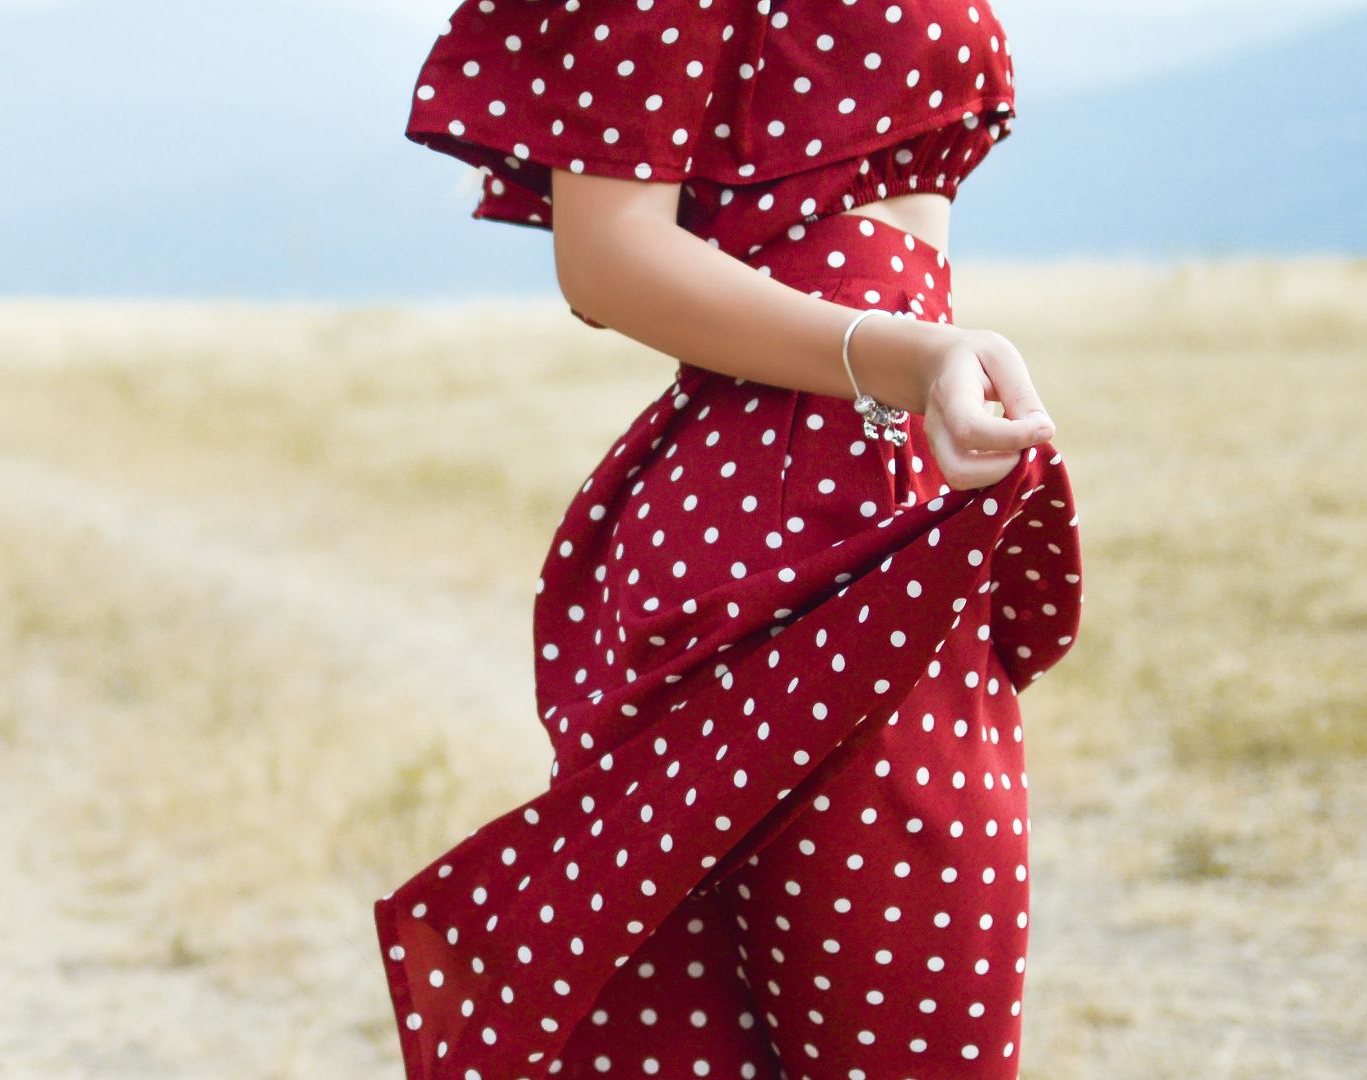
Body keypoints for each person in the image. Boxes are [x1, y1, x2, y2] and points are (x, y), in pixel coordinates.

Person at [372, 2, 1085, 1076]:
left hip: (875, 460)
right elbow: (605, 257)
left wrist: (919, 364)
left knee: (893, 1008)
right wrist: (907, 356)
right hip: (787, 494)